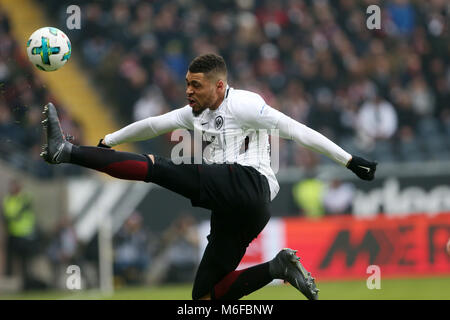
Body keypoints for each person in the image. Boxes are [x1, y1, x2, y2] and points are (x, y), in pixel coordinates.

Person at [40, 53, 377, 300]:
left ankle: (67, 152)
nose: (188, 91)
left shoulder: (244, 104)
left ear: (219, 86)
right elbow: (154, 124)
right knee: (204, 298)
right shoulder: (195, 113)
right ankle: (278, 268)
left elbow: (294, 129)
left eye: (196, 85)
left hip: (248, 183)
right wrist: (110, 139)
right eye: (187, 84)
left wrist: (347, 160)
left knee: (158, 168)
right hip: (244, 210)